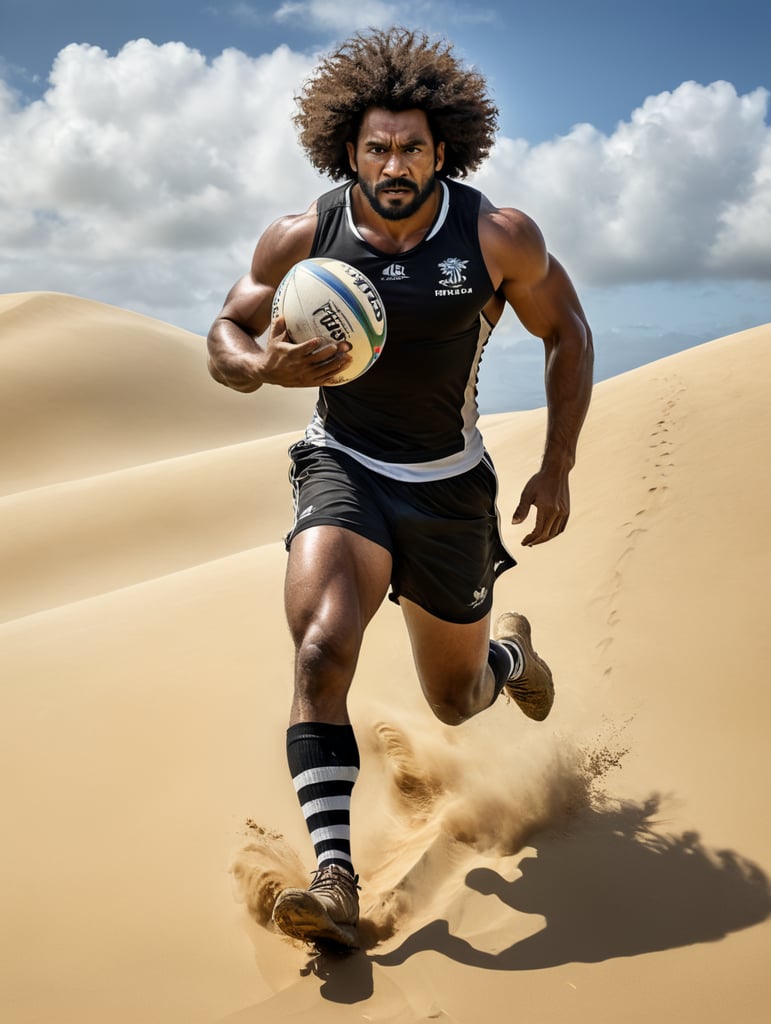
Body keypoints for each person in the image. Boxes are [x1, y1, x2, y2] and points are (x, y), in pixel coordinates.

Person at [207, 27, 593, 949]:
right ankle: (333, 876)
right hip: (343, 465)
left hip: (451, 487)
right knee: (320, 650)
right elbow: (225, 331)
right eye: (375, 146)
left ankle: (507, 658)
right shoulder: (303, 233)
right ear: (348, 148)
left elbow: (567, 331)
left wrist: (558, 460)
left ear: (441, 151)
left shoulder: (496, 236)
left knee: (453, 701)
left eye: (410, 146)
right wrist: (263, 366)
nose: (392, 162)